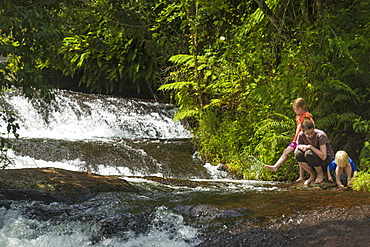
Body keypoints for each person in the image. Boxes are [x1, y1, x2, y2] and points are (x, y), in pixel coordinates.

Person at [265, 98, 314, 181]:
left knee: (299, 156)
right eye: (295, 109)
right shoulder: (298, 116)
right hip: (296, 139)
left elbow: (312, 125)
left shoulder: (306, 115)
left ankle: (303, 176)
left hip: (304, 139)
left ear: (303, 107)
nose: (296, 111)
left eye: (298, 109)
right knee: (286, 151)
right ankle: (276, 167)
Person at [295, 119, 334, 185]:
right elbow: (297, 147)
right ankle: (312, 175)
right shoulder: (301, 135)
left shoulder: (321, 135)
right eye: (308, 134)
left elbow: (324, 156)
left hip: (325, 160)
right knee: (297, 153)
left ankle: (320, 174)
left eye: (312, 132)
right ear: (303, 131)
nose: (310, 135)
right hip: (312, 160)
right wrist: (300, 146)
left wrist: (310, 147)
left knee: (309, 153)